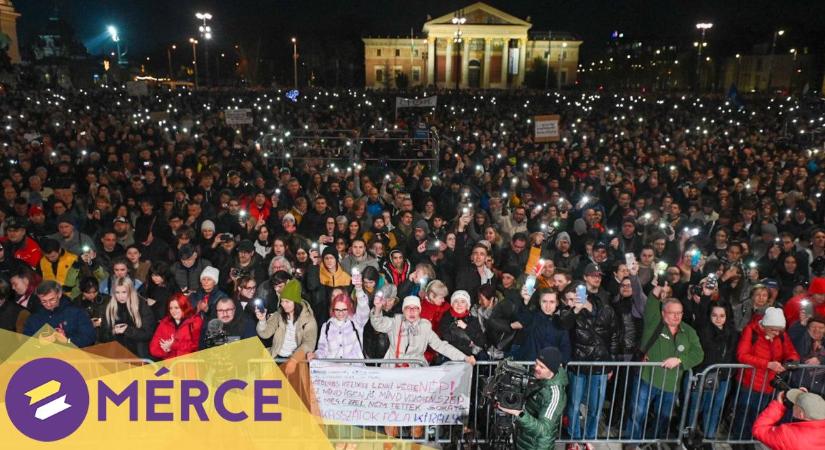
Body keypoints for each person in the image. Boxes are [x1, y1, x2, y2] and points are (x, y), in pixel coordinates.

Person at [624, 287, 704, 445]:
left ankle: (649, 442)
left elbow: (699, 354)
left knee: (663, 418)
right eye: (672, 312)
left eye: (679, 313)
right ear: (663, 313)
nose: (676, 316)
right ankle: (632, 444)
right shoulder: (654, 323)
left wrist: (680, 360)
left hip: (671, 385)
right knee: (637, 413)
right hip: (647, 378)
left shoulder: (689, 331)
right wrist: (657, 289)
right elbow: (652, 303)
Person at [732, 306, 801, 441]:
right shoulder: (751, 331)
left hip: (769, 384)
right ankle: (739, 440)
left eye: (779, 330)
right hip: (749, 381)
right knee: (744, 413)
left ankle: (752, 439)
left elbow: (791, 351)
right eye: (773, 329)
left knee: (760, 414)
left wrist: (790, 361)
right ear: (765, 325)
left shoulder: (781, 335)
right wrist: (768, 364)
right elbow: (742, 355)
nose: (776, 332)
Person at [497, 346, 568, 450]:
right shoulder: (538, 377)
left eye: (542, 367)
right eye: (536, 363)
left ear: (551, 371)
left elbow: (544, 430)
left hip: (536, 446)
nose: (536, 368)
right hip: (523, 440)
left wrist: (518, 413)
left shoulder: (555, 395)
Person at [23, 280, 96, 347]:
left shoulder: (76, 312)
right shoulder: (34, 317)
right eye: (44, 301)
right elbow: (26, 344)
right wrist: (39, 341)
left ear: (59, 294)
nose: (48, 304)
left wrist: (67, 340)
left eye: (52, 299)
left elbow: (89, 337)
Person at [98, 277, 156, 359]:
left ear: (130, 291)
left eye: (124, 292)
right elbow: (102, 336)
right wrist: (113, 331)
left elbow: (148, 333)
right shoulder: (109, 308)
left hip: (139, 355)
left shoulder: (141, 306)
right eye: (117, 292)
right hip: (117, 356)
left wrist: (127, 330)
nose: (120, 296)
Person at [752, 388, 825, 449]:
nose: (792, 404)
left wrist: (778, 405)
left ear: (800, 414)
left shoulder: (788, 434)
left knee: (761, 445)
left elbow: (759, 429)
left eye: (795, 403)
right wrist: (807, 397)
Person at [149, 293, 203, 360]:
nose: (173, 311)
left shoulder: (195, 322)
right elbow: (153, 348)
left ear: (184, 307)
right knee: (155, 371)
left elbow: (197, 346)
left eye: (176, 308)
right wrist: (166, 350)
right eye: (170, 308)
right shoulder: (165, 322)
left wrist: (174, 345)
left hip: (188, 364)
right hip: (169, 364)